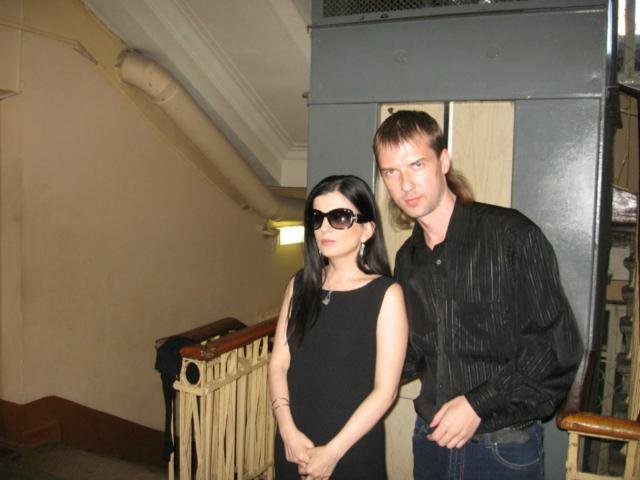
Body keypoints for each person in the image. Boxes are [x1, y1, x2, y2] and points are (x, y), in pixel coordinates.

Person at [373, 110, 582, 480]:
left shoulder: (511, 236)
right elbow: (413, 354)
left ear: (443, 161)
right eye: (391, 172)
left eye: (417, 164)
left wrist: (476, 404)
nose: (405, 184)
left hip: (503, 448)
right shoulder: (408, 259)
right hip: (431, 441)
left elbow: (556, 348)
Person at [268, 175, 408, 480]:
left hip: (351, 446)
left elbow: (385, 391)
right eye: (317, 218)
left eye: (340, 217)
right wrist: (287, 430)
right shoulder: (300, 284)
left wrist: (333, 452)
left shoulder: (386, 294)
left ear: (367, 229)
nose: (324, 228)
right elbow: (279, 364)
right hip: (295, 442)